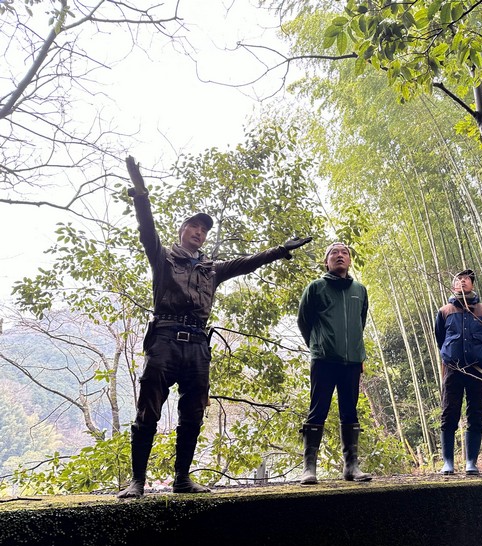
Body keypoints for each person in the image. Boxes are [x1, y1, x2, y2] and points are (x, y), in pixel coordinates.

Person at [117, 183, 312, 499]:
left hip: (197, 345)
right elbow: (147, 230)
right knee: (148, 409)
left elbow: (248, 262)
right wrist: (141, 197)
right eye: (194, 226)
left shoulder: (212, 269)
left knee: (193, 412)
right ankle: (137, 481)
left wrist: (280, 250)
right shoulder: (163, 257)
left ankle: (182, 478)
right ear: (182, 230)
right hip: (165, 339)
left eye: (203, 229)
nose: (199, 232)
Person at [296, 242, 371, 485]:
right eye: (334, 253)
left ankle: (351, 467)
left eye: (344, 253)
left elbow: (361, 323)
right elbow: (303, 321)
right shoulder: (316, 288)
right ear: (326, 261)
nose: (340, 256)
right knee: (318, 409)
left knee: (350, 410)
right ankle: (309, 468)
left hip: (351, 361)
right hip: (324, 359)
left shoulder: (360, 290)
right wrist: (318, 345)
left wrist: (357, 353)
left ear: (349, 261)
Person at [434, 269, 482, 475]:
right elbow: (440, 338)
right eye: (459, 279)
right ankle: (448, 462)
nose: (463, 282)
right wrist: (449, 356)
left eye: (467, 279)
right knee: (449, 413)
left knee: (476, 414)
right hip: (453, 369)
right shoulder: (444, 311)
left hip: (477, 369)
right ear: (453, 286)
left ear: (472, 284)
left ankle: (471, 461)